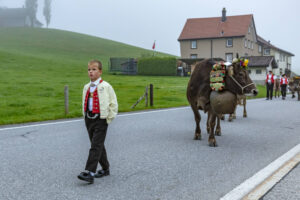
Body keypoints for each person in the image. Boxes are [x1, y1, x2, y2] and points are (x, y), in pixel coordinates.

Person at [78, 60, 118, 184]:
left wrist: (108, 118)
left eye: (94, 69)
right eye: (89, 69)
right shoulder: (86, 87)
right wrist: (85, 115)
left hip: (101, 119)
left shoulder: (106, 86)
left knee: (95, 146)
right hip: (89, 119)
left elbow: (113, 103)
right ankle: (105, 168)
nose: (91, 72)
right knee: (98, 144)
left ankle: (89, 172)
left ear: (100, 72)